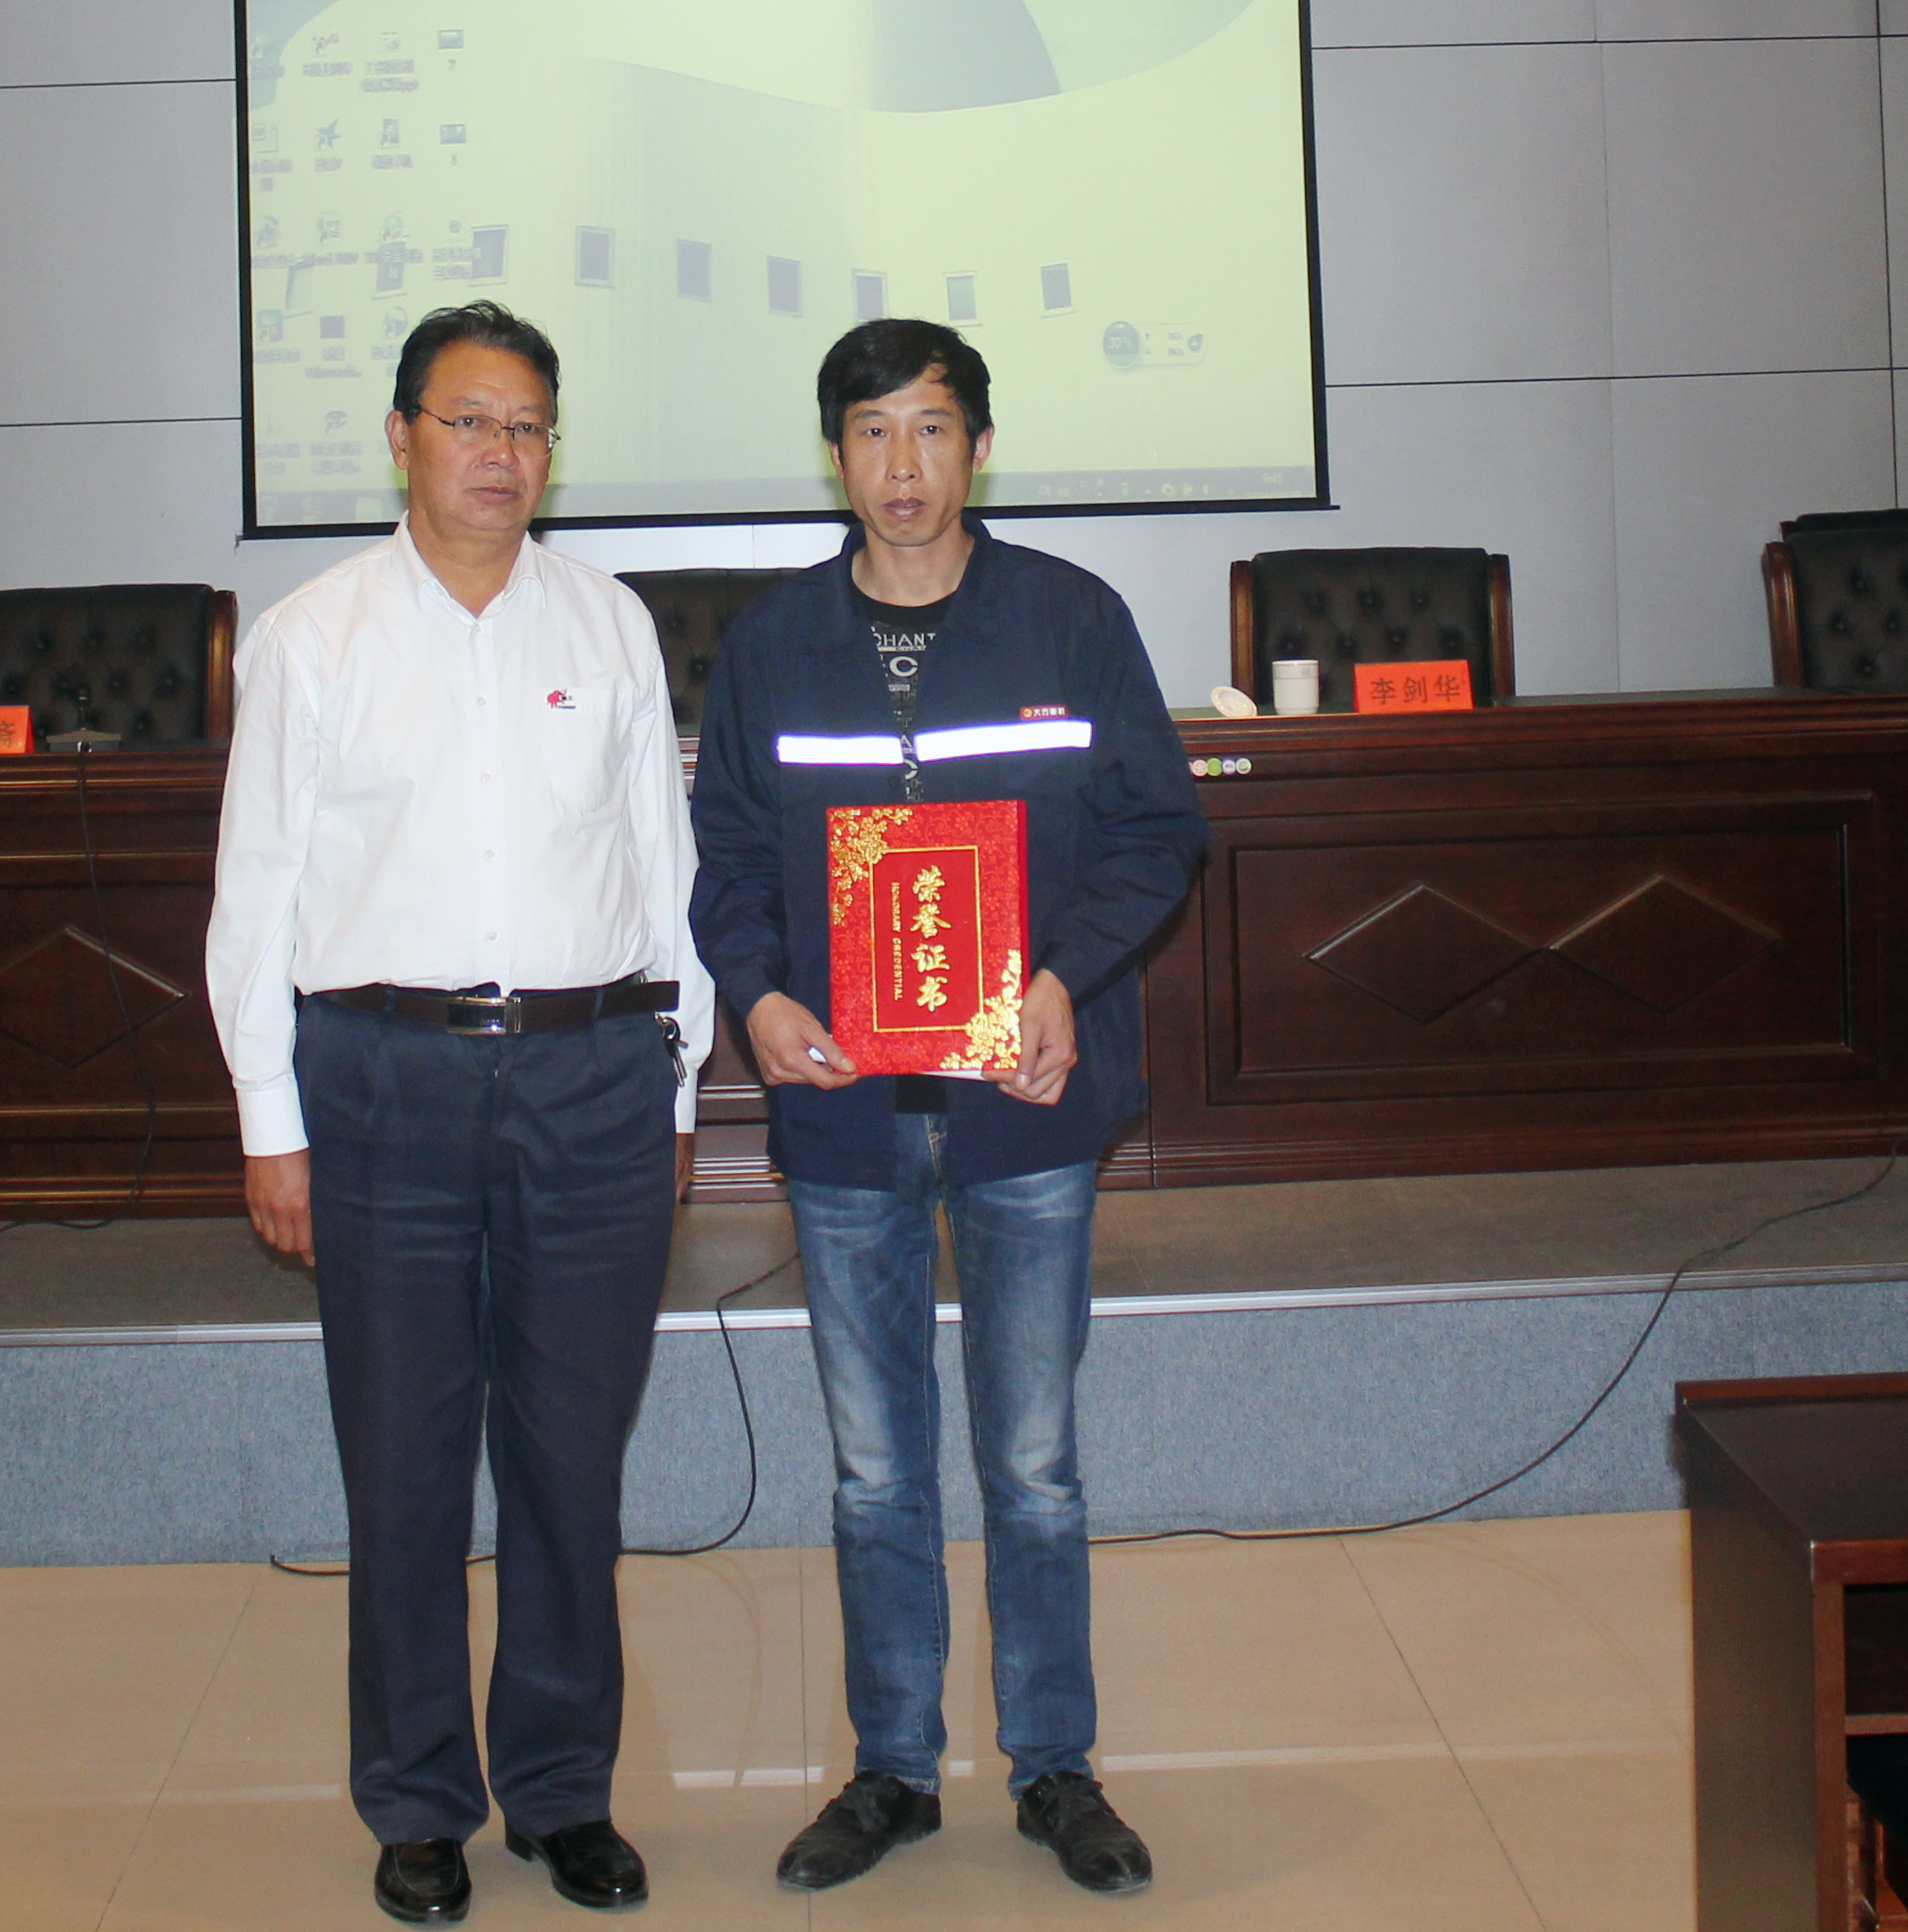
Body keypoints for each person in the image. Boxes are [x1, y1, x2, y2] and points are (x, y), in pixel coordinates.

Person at [205, 299, 713, 1926]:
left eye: (529, 426)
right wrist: (269, 1119)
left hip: (594, 1076)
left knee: (571, 1462)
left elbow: (665, 869)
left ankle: (561, 1791)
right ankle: (419, 1799)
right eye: (470, 421)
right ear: (402, 437)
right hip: (382, 1084)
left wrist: (680, 1075)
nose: (502, 453)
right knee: (404, 1462)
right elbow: (255, 893)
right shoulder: (314, 637)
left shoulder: (609, 624)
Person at [688, 319, 1209, 1896]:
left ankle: (1054, 1766)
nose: (900, 464)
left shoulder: (1071, 618)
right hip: (847, 1116)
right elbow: (727, 861)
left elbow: (1157, 833)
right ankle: (894, 1770)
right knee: (873, 1473)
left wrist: (1062, 980)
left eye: (929, 429)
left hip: (1022, 1106)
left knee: (1034, 1467)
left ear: (979, 446)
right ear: (835, 454)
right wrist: (758, 999)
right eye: (870, 432)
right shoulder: (773, 644)